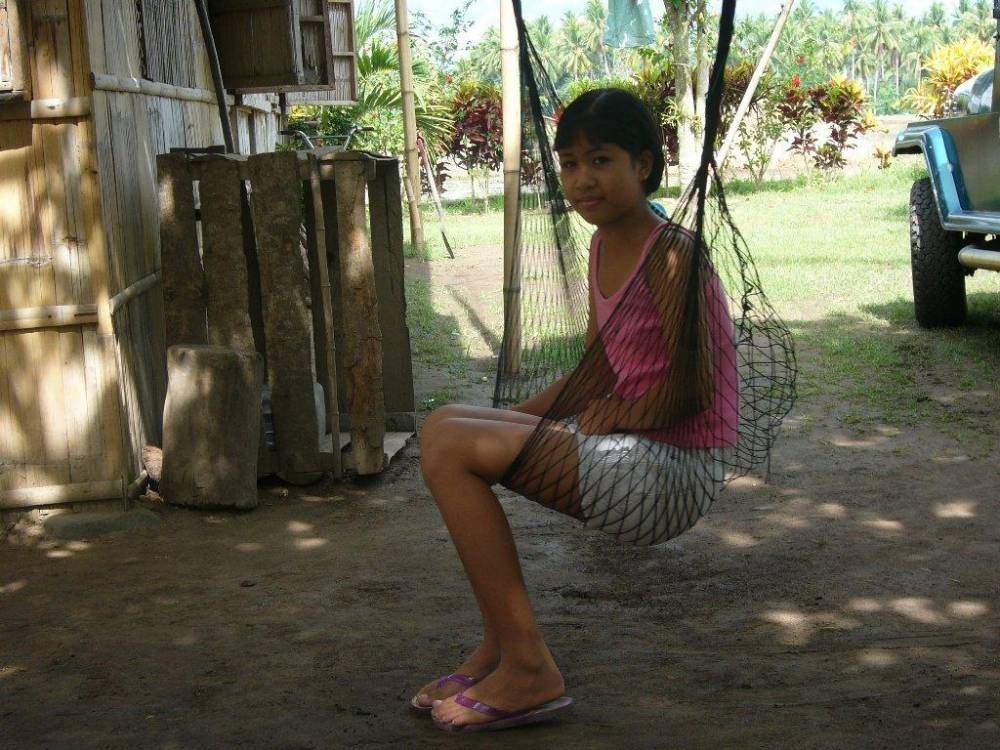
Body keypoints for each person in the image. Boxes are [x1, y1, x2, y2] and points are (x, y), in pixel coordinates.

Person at [412, 88, 738, 732]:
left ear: (643, 165)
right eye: (568, 165)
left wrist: (621, 414)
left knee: (453, 449)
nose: (582, 181)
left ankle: (529, 667)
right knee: (445, 425)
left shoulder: (672, 253)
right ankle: (503, 647)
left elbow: (698, 389)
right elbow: (595, 376)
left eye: (601, 161)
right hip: (632, 453)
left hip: (674, 472)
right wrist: (512, 420)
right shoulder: (601, 245)